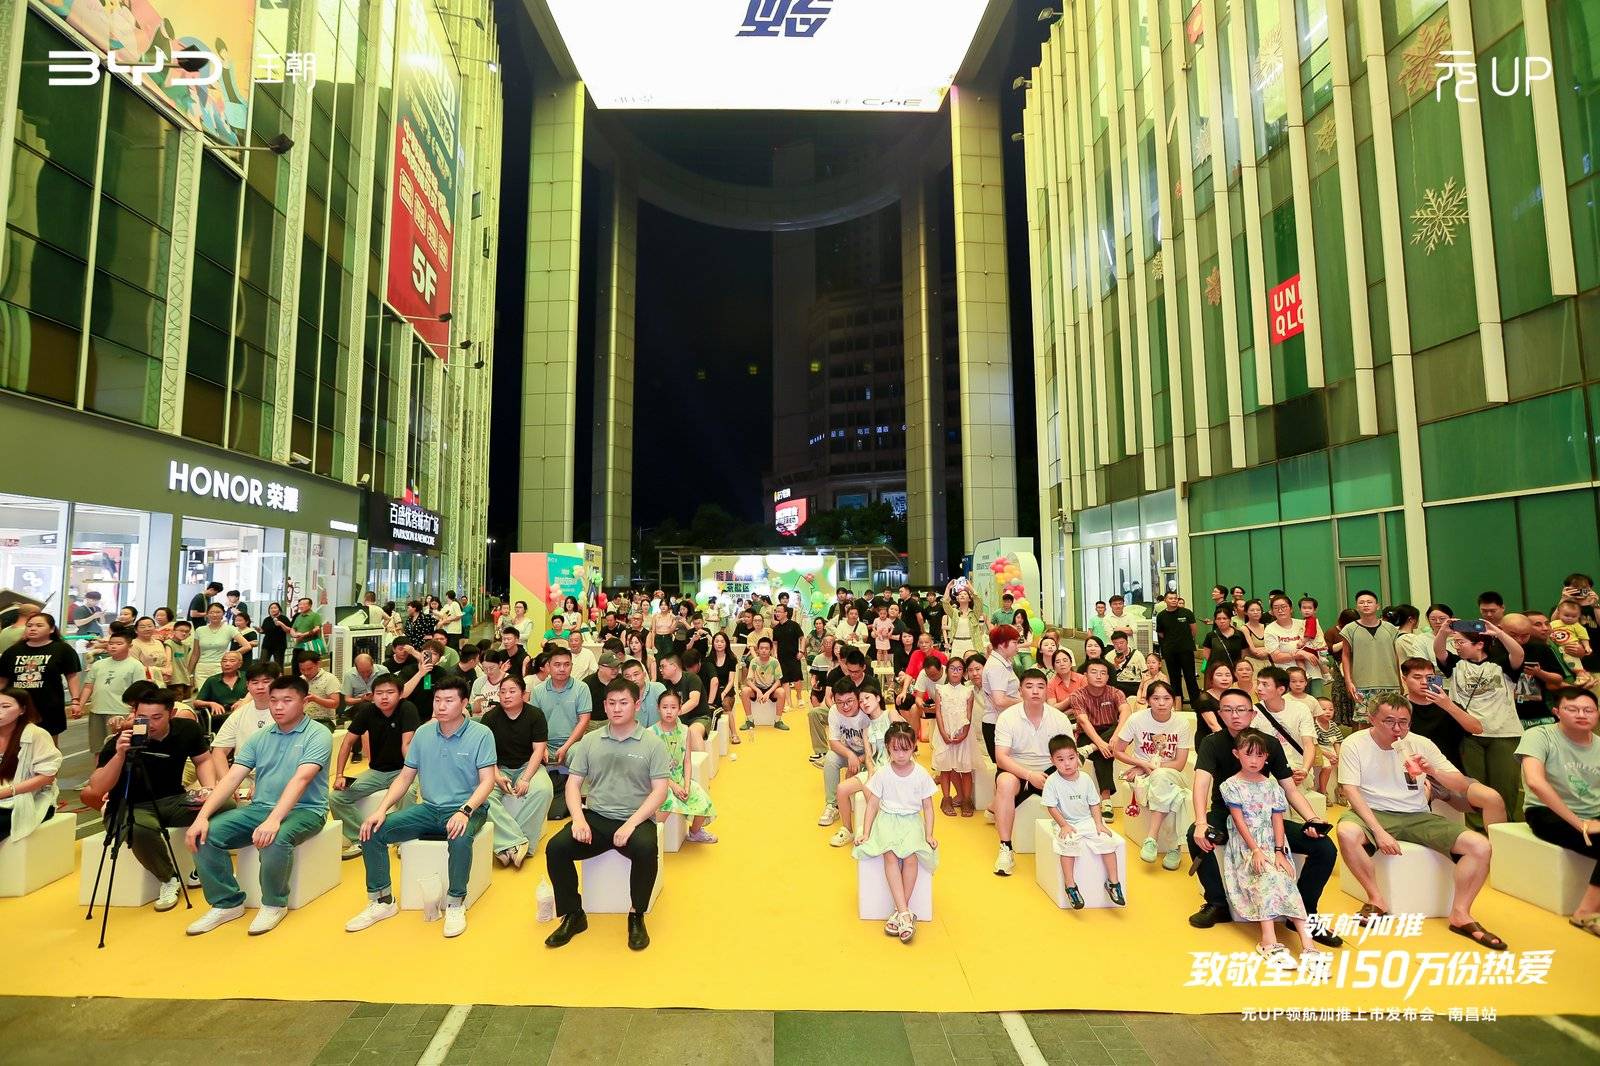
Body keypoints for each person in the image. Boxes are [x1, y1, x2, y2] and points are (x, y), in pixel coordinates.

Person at [1335, 698, 1506, 950]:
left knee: (1480, 846)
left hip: (1416, 814)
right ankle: (1376, 899)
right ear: (1372, 720)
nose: (1397, 729)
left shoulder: (1420, 743)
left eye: (1403, 722)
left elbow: (1460, 784)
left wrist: (1433, 771)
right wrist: (1379, 832)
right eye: (1389, 721)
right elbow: (1351, 790)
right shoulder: (1355, 743)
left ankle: (1460, 913)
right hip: (1373, 811)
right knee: (1346, 831)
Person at [346, 676, 496, 939]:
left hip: (467, 808)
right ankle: (382, 901)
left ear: (464, 703)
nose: (441, 706)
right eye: (437, 700)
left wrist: (465, 811)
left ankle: (455, 903)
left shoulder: (481, 734)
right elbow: (405, 776)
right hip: (429, 809)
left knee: (460, 837)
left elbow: (487, 781)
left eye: (449, 700)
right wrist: (381, 809)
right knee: (372, 831)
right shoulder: (424, 734)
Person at [181, 676, 332, 936]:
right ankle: (226, 903)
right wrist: (202, 817)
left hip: (306, 810)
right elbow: (231, 779)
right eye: (274, 701)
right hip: (259, 808)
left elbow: (302, 779)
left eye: (287, 700)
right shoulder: (260, 737)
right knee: (204, 835)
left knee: (275, 839)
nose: (278, 707)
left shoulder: (318, 734)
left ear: (305, 702)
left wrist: (274, 820)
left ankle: (274, 903)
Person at [1186, 688, 1340, 941]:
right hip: (1226, 814)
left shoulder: (1269, 744)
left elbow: (1290, 789)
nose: (1235, 715)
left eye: (1241, 710)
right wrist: (1202, 821)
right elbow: (1201, 783)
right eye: (1228, 710)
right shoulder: (1211, 743)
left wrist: (1312, 819)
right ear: (1220, 713)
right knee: (1195, 834)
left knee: (1325, 848)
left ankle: (1304, 913)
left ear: (1252, 713)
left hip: (1264, 818)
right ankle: (1217, 903)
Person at [543, 676, 673, 952]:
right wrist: (578, 819)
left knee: (646, 849)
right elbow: (573, 784)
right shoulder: (591, 741)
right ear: (604, 706)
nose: (617, 708)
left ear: (637, 705)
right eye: (611, 703)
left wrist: (631, 824)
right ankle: (573, 914)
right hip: (597, 816)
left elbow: (660, 791)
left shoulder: (652, 744)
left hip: (636, 818)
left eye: (623, 703)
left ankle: (636, 915)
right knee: (556, 848)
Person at [86, 688, 223, 912]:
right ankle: (169, 878)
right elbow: (98, 787)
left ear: (172, 713)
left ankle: (203, 863)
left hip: (173, 799)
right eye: (142, 718)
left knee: (223, 803)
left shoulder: (187, 729)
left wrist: (208, 789)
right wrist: (120, 755)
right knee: (137, 829)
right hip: (131, 806)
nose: (149, 724)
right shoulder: (122, 741)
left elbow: (203, 760)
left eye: (157, 717)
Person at [1219, 729, 1328, 970]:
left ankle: (1308, 945)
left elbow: (1277, 819)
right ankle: (1268, 941)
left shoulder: (1272, 786)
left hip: (1272, 843)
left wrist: (1279, 851)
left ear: (1266, 757)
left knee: (1285, 879)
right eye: (1249, 755)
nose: (1254, 760)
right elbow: (1239, 821)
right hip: (1247, 846)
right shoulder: (1230, 786)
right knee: (1267, 876)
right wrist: (1256, 850)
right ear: (1237, 754)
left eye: (1259, 756)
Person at [1516, 688, 1600, 935]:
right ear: (1557, 712)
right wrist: (1580, 824)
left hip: (1593, 813)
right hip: (1547, 812)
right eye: (1572, 709)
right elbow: (1535, 782)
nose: (1581, 714)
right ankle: (1585, 914)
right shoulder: (1538, 735)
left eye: (1588, 710)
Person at [852, 721, 938, 942]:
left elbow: (928, 807)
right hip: (887, 820)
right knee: (889, 854)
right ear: (888, 747)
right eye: (895, 749)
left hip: (911, 821)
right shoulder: (883, 773)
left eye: (905, 749)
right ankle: (905, 914)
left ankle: (900, 913)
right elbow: (872, 804)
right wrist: (866, 833)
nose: (900, 755)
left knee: (911, 858)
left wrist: (928, 834)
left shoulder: (921, 774)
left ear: (914, 746)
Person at [1433, 620, 1524, 827]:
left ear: (1479, 644)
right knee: (1473, 785)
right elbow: (1439, 651)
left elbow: (1518, 654)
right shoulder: (1456, 664)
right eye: (1455, 643)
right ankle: (1476, 828)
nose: (1457, 647)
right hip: (1468, 735)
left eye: (1461, 642)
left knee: (1505, 785)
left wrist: (1498, 632)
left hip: (1503, 733)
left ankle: (1504, 829)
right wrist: (1443, 632)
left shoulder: (1501, 664)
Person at [992, 668, 1077, 876]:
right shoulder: (1007, 717)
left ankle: (1072, 842)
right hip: (1017, 769)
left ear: (1047, 690)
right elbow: (1001, 757)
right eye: (1029, 686)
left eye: (1040, 686)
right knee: (1005, 783)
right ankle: (1005, 848)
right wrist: (1029, 776)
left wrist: (1058, 776)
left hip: (1051, 768)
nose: (1035, 691)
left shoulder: (1059, 718)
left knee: (1074, 781)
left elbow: (1069, 754)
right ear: (1020, 691)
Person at [329, 675, 419, 858]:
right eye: (379, 693)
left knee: (408, 793)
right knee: (337, 797)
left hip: (403, 770)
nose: (384, 697)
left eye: (390, 692)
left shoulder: (407, 708)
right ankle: (363, 837)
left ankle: (403, 840)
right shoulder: (367, 711)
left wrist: (408, 775)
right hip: (376, 772)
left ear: (400, 694)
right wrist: (339, 775)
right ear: (372, 695)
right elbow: (347, 743)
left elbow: (407, 744)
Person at [1114, 679, 1194, 870]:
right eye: (1156, 698)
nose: (1161, 703)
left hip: (1173, 774)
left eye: (1166, 698)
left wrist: (1145, 767)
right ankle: (1175, 848)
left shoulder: (1181, 723)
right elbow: (1118, 751)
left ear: (1173, 700)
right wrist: (1142, 764)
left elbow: (1180, 764)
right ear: (1148, 700)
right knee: (1176, 797)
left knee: (1161, 776)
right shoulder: (1137, 719)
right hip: (1146, 777)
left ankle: (1151, 838)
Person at [1041, 736, 1124, 909]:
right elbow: (1051, 807)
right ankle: (1070, 885)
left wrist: (1098, 823)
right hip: (1066, 822)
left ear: (1077, 756)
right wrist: (1064, 825)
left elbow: (1094, 803)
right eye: (1060, 760)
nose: (1067, 764)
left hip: (1086, 821)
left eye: (1071, 758)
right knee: (1068, 845)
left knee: (1107, 841)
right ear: (1052, 760)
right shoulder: (1052, 781)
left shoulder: (1085, 779)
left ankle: (1113, 883)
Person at [481, 673, 554, 867]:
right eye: (502, 692)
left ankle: (512, 845)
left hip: (528, 766)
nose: (506, 695)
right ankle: (516, 843)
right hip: (498, 768)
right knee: (483, 797)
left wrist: (526, 778)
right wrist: (497, 776)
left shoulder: (535, 715)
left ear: (523, 694)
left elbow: (539, 750)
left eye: (512, 691)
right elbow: (485, 754)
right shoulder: (489, 718)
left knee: (544, 790)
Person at [531, 645, 593, 820]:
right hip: (544, 743)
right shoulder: (538, 691)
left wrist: (566, 747)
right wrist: (541, 748)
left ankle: (579, 801)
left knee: (580, 753)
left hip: (572, 743)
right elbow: (534, 723)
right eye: (557, 664)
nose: (562, 669)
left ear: (572, 666)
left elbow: (584, 720)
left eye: (566, 664)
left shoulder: (581, 688)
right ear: (548, 667)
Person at [829, 684, 894, 847]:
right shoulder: (866, 727)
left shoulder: (890, 715)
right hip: (876, 768)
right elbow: (869, 756)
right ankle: (847, 829)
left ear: (878, 697)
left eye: (867, 698)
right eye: (861, 700)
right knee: (842, 788)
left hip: (894, 769)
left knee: (868, 787)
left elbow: (907, 737)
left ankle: (879, 831)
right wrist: (871, 773)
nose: (864, 702)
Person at [651, 689, 717, 844]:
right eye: (665, 707)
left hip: (679, 778)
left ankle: (695, 832)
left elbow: (687, 760)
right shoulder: (651, 733)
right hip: (659, 781)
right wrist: (673, 786)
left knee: (702, 798)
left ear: (680, 709)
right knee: (668, 802)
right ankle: (652, 838)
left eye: (673, 707)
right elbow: (652, 769)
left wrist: (686, 785)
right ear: (658, 708)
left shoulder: (685, 730)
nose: (669, 711)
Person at [0, 612, 82, 737]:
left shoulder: (62, 649)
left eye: (39, 625)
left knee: (48, 742)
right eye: (29, 625)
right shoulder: (12, 651)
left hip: (49, 706)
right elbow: (3, 680)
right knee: (16, 740)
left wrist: (75, 701)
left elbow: (72, 677)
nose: (33, 628)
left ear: (51, 629)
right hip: (18, 705)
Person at [1066, 660, 1126, 817]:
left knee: (1121, 726)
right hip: (1087, 734)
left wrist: (1115, 736)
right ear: (1085, 676)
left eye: (1103, 673)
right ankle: (1106, 800)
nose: (1099, 676)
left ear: (1108, 677)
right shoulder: (1077, 695)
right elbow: (1083, 722)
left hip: (1111, 732)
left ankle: (1088, 750)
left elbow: (1126, 712)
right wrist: (1100, 743)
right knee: (1104, 753)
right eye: (1094, 672)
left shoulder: (1115, 693)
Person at [78, 626, 152, 752]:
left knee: (119, 748)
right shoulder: (98, 664)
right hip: (97, 711)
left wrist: (134, 713)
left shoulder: (136, 665)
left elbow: (139, 692)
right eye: (111, 643)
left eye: (119, 644)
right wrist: (80, 705)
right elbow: (88, 686)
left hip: (121, 712)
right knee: (98, 749)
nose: (113, 647)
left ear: (129, 646)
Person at [0, 689, 60, 842]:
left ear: (22, 710)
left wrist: (8, 791)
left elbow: (47, 777)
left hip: (30, 799)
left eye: (5, 706)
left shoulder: (36, 734)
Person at [211, 662, 279, 786]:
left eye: (266, 682)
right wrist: (228, 785)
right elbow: (219, 751)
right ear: (247, 685)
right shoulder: (239, 714)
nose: (260, 687)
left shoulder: (287, 712)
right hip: (242, 776)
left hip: (278, 776)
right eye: (255, 682)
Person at [1250, 666, 1317, 791]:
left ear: (1280, 689)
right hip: (1268, 767)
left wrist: (1304, 770)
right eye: (1258, 683)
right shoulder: (1254, 711)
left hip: (1298, 766)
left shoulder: (1300, 709)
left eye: (1265, 684)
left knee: (1291, 787)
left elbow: (1308, 744)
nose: (1259, 688)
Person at [1339, 590, 1400, 722]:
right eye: (1361, 602)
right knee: (1364, 721)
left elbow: (1397, 655)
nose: (1365, 605)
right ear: (1357, 607)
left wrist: (1401, 680)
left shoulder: (1390, 628)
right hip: (1362, 684)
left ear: (1377, 606)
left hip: (1390, 682)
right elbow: (1345, 656)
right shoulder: (1350, 629)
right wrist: (1348, 681)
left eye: (1369, 602)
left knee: (1391, 720)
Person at [930, 656, 974, 817]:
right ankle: (946, 798)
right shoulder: (940, 690)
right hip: (944, 732)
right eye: (952, 668)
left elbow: (969, 714)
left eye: (959, 669)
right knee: (945, 768)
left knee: (966, 769)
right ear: (947, 671)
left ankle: (966, 800)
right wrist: (943, 733)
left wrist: (964, 733)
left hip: (963, 734)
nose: (955, 672)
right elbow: (938, 713)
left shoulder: (968, 691)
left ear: (964, 672)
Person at [1264, 594, 1325, 699]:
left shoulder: (1304, 623)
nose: (1280, 610)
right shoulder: (1270, 629)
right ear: (1272, 611)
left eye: (1283, 607)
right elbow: (1276, 657)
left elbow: (1319, 644)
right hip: (1289, 677)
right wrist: (1300, 654)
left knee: (1316, 703)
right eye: (1276, 608)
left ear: (1291, 609)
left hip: (1313, 671)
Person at [979, 625, 1023, 764]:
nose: (1017, 647)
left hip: (1004, 721)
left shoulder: (1003, 662)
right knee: (1005, 769)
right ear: (1002, 645)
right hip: (996, 724)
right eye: (1014, 642)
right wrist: (1023, 702)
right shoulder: (996, 666)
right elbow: (999, 700)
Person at [1155, 591, 1200, 706]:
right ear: (1165, 600)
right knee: (1174, 678)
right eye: (1171, 598)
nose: (1174, 600)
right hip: (1170, 652)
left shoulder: (1186, 612)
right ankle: (1178, 703)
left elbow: (1194, 630)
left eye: (1175, 598)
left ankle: (1196, 704)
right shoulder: (1161, 616)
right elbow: (1160, 633)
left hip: (1186, 650)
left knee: (1190, 677)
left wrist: (1185, 640)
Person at [192, 650, 247, 733]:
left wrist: (244, 701)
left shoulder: (247, 677)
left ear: (240, 664)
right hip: (220, 717)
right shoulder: (212, 680)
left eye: (232, 661)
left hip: (243, 715)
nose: (227, 664)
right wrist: (211, 704)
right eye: (224, 661)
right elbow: (196, 702)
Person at [740, 637, 783, 732]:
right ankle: (749, 720)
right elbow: (748, 680)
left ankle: (778, 721)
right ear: (758, 650)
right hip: (757, 687)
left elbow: (778, 681)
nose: (764, 650)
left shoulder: (774, 662)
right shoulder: (754, 662)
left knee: (781, 692)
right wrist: (758, 690)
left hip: (770, 688)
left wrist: (768, 693)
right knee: (745, 691)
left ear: (770, 650)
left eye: (766, 648)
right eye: (761, 648)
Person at [295, 650, 342, 725]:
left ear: (318, 664)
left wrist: (315, 699)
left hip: (324, 721)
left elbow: (335, 704)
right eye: (302, 670)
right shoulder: (300, 680)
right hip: (303, 720)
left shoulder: (330, 678)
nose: (306, 672)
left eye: (309, 669)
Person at [1193, 661, 1233, 738]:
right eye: (1219, 675)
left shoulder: (1234, 696)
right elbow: (1214, 726)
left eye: (1228, 675)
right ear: (1211, 678)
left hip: (1228, 736)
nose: (1224, 679)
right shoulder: (1204, 699)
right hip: (1209, 740)